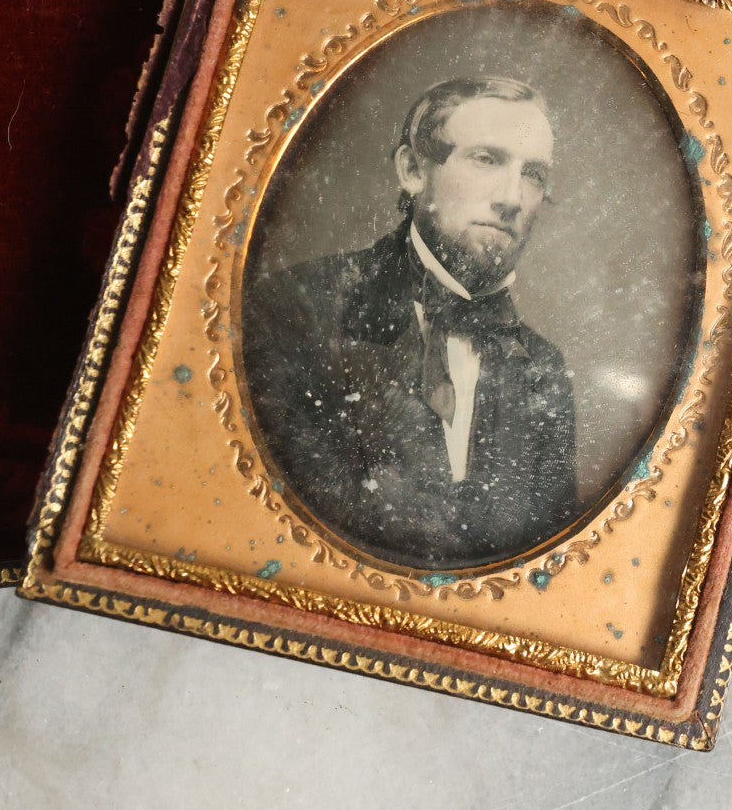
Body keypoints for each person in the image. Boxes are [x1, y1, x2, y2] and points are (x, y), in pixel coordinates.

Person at [242, 76, 577, 568]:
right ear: (414, 170)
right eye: (486, 159)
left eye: (533, 174)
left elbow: (547, 566)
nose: (513, 197)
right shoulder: (297, 308)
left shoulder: (542, 369)